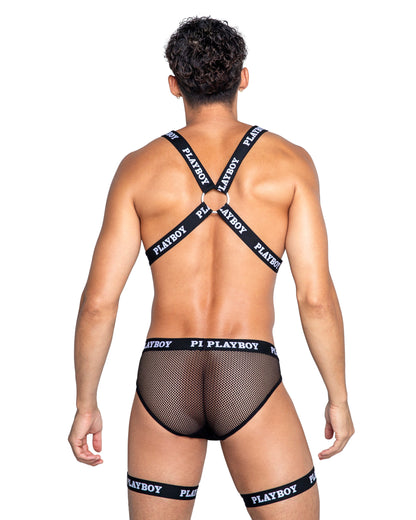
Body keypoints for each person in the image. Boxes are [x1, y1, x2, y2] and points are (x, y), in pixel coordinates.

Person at [68, 16, 354, 520]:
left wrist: (85, 403)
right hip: (248, 369)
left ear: (174, 85)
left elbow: (98, 303)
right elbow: (315, 298)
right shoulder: (290, 163)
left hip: (165, 374)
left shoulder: (138, 168)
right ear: (243, 78)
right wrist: (339, 397)